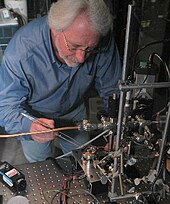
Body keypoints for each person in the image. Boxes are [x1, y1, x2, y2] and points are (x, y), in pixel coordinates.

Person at [0, 0, 122, 163]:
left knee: (83, 160)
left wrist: (116, 131)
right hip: (34, 116)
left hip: (74, 112)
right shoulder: (21, 52)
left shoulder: (100, 38)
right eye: (73, 47)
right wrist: (29, 126)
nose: (81, 58)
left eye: (89, 49)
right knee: (41, 164)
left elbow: (112, 90)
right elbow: (5, 106)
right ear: (55, 30)